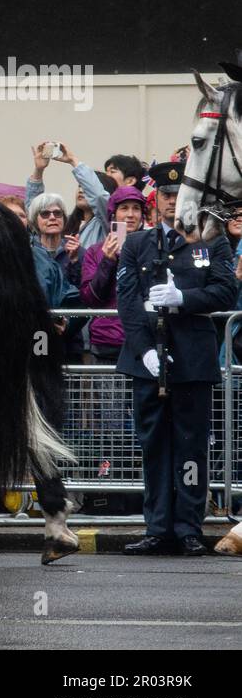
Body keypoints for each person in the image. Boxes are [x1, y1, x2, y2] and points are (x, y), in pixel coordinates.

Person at [117, 161, 234, 556]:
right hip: (148, 360)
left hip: (192, 359)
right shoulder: (136, 244)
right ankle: (157, 527)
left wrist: (184, 299)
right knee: (153, 445)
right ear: (156, 200)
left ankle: (187, 526)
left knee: (190, 446)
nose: (171, 202)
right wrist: (145, 351)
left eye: (177, 196)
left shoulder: (210, 241)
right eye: (166, 196)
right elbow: (128, 303)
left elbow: (224, 294)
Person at [80, 186, 147, 364]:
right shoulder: (95, 251)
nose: (131, 214)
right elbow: (90, 298)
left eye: (136, 208)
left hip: (145, 340)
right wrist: (108, 261)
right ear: (113, 214)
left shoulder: (153, 248)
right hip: (107, 342)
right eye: (124, 208)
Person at [27, 142, 111, 253]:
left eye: (86, 187)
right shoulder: (65, 221)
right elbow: (35, 210)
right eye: (79, 186)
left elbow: (98, 196)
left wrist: (72, 160)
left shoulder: (105, 224)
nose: (81, 190)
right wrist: (39, 170)